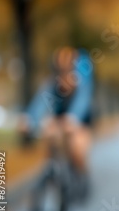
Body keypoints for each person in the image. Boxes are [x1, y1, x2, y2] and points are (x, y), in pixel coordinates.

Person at [18, 46, 94, 200]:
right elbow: (41, 101)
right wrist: (29, 119)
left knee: (76, 147)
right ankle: (52, 175)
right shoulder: (51, 84)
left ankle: (82, 179)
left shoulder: (81, 83)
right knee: (49, 134)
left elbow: (83, 101)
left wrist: (73, 118)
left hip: (80, 123)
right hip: (60, 121)